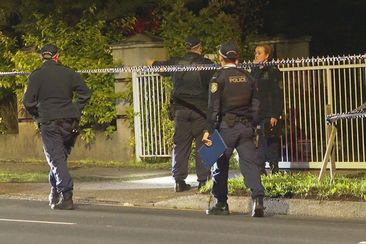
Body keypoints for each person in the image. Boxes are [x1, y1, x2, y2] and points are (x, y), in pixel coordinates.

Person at [23, 44, 91, 210]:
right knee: (59, 158)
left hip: (50, 122)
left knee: (56, 158)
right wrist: (76, 109)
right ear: (57, 56)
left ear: (42, 57)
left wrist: (38, 115)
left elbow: (27, 102)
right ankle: (55, 191)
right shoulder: (69, 73)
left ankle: (66, 195)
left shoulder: (36, 76)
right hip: (70, 122)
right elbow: (85, 93)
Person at [202, 42, 265, 217]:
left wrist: (208, 129)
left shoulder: (218, 78)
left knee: (219, 164)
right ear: (237, 58)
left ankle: (221, 203)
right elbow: (257, 105)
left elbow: (213, 107)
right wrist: (255, 125)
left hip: (225, 128)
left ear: (221, 58)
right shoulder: (249, 77)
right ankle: (258, 200)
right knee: (250, 164)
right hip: (246, 127)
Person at [151, 36, 215, 192]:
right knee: (204, 145)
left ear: (186, 48)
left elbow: (154, 66)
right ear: (200, 48)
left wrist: (152, 62)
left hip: (180, 112)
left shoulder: (176, 63)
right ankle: (203, 182)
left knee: (180, 146)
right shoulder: (207, 65)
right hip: (200, 112)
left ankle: (179, 181)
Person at [250, 44, 284, 174]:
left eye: (259, 53)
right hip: (256, 112)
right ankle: (260, 168)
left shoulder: (273, 71)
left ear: (267, 55)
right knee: (259, 142)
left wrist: (275, 114)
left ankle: (274, 167)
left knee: (271, 140)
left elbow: (277, 94)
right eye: (256, 53)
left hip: (269, 112)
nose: (256, 55)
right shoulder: (254, 70)